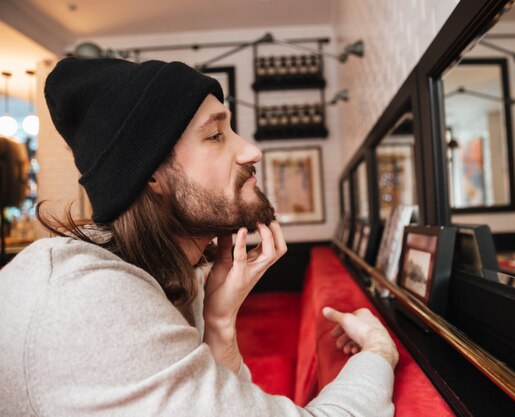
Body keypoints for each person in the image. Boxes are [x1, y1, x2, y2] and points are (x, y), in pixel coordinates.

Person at [0, 57, 398, 416]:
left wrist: (220, 321)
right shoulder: (93, 302)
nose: (251, 151)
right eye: (215, 136)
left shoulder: (162, 273)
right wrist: (378, 353)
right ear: (152, 174)